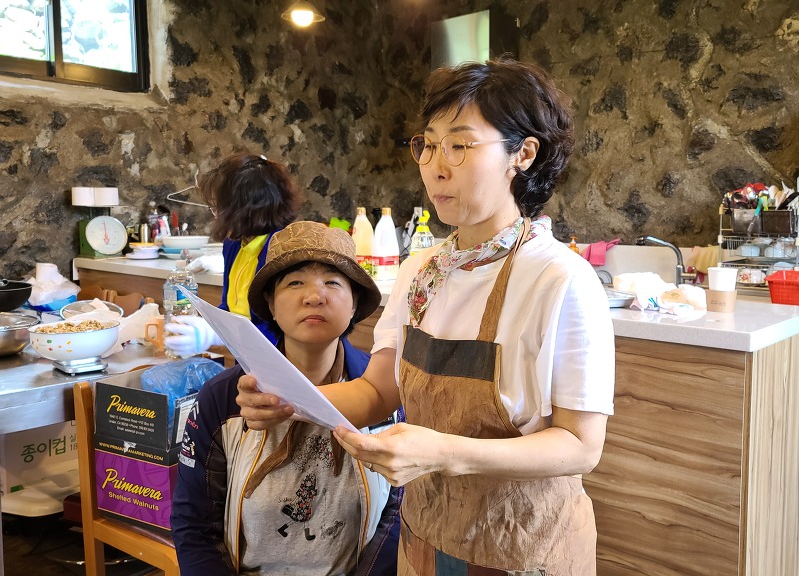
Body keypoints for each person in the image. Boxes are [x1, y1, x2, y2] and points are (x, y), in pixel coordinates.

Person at [236, 58, 615, 575]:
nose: (436, 166)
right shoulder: (422, 271)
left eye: (460, 145)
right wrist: (290, 400)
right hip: (425, 536)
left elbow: (580, 446)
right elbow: (377, 392)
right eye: (429, 145)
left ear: (523, 154)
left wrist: (444, 452)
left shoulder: (560, 279)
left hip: (523, 546)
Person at [171, 221, 400, 576]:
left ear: (355, 304)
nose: (314, 296)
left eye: (332, 282)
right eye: (295, 283)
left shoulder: (386, 395)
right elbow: (194, 525)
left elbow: (399, 515)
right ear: (271, 304)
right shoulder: (225, 398)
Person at [165, 152, 302, 356]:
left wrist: (216, 335)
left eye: (218, 207)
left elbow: (281, 332)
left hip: (282, 362)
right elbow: (229, 308)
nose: (216, 215)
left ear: (245, 208)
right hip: (247, 360)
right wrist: (208, 326)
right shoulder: (234, 245)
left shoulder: (284, 251)